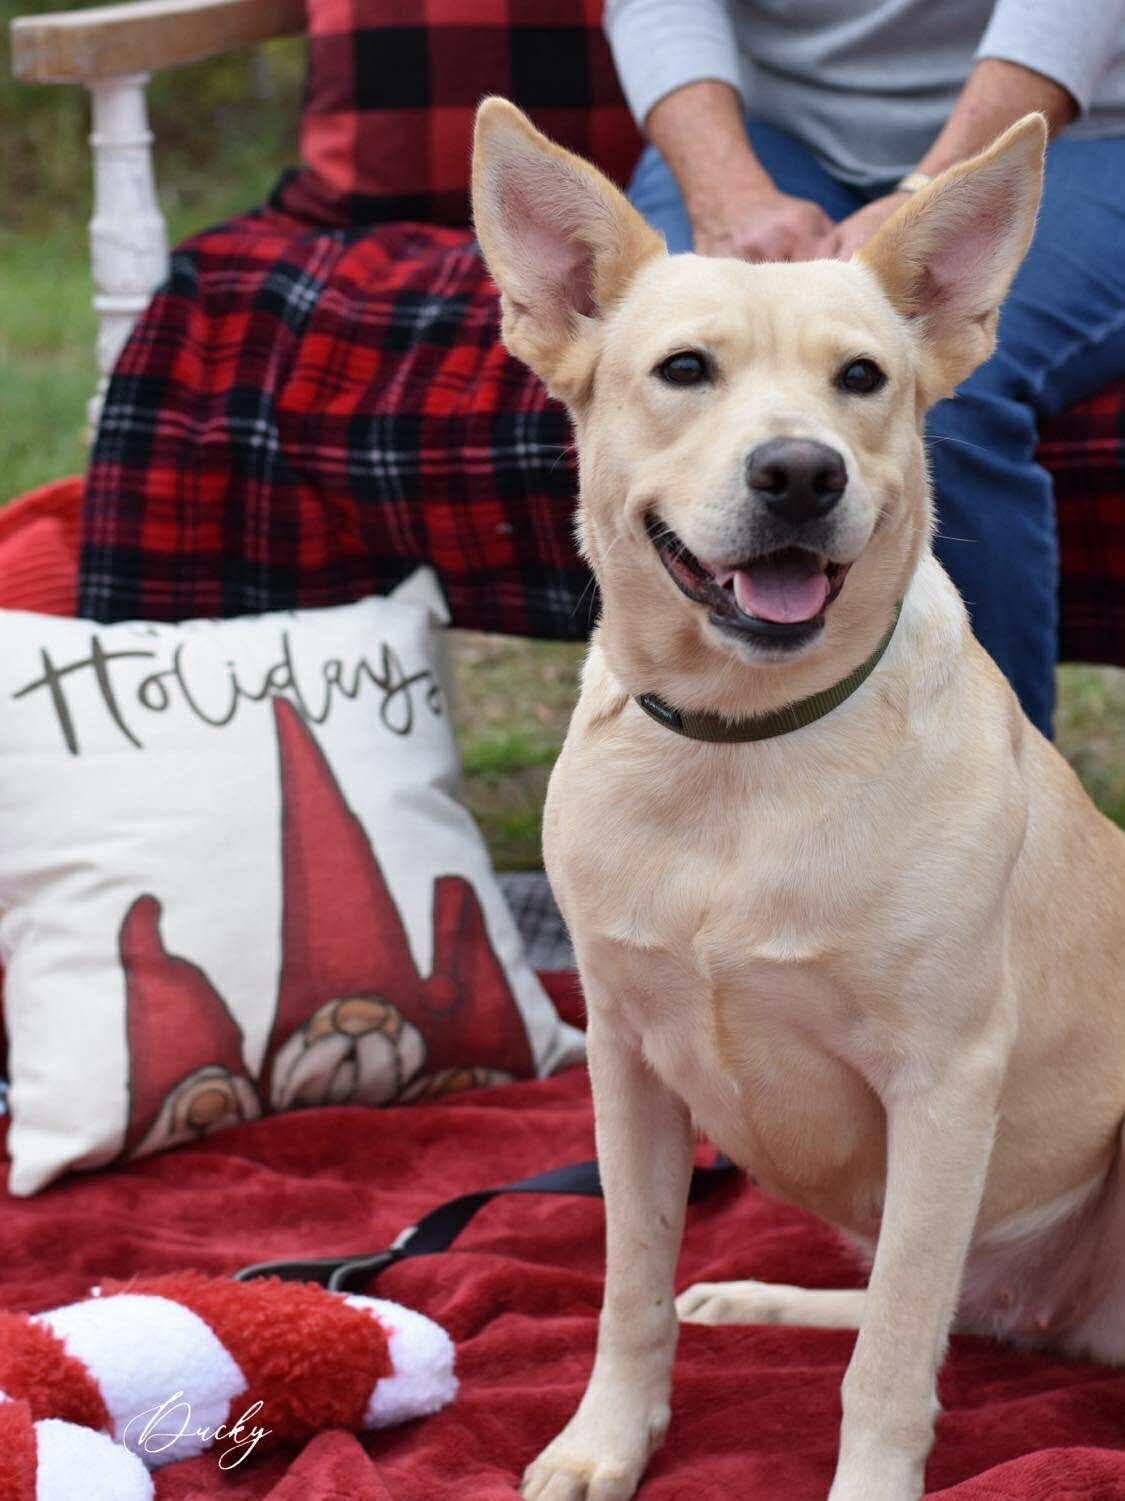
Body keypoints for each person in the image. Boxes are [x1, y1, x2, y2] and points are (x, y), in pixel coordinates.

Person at [605, 0, 1125, 738]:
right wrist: (726, 188)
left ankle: (988, 778)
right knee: (638, 366)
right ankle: (670, 761)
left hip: (1083, 131)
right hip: (772, 130)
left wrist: (925, 196)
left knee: (943, 397)